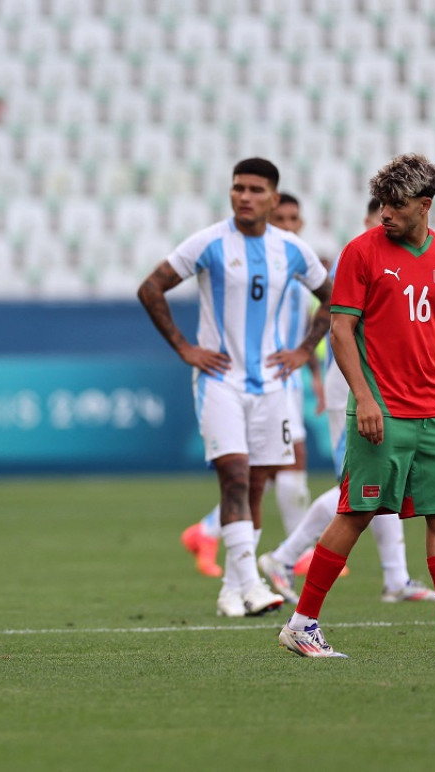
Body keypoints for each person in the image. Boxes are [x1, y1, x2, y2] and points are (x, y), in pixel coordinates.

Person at [279, 154, 435, 658]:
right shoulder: (361, 253)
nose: (384, 213)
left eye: (396, 204)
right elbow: (341, 330)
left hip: (434, 415)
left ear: (425, 206)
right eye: (382, 203)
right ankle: (301, 624)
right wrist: (364, 398)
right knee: (357, 512)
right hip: (380, 412)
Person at [138, 158, 332, 618]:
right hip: (219, 381)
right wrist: (185, 347)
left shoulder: (293, 250)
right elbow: (151, 288)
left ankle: (231, 591)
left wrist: (305, 350)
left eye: (255, 189)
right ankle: (252, 583)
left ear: (273, 197)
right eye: (237, 187)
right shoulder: (209, 242)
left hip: (272, 385)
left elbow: (334, 297)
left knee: (257, 486)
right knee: (236, 477)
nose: (244, 196)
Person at [259, 198, 435, 605]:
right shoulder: (357, 258)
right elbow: (339, 326)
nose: (388, 223)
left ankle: (395, 578)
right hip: (354, 388)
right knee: (359, 484)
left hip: (380, 386)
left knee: (383, 480)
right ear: (369, 219)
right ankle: (285, 558)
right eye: (381, 216)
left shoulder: (403, 262)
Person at [179, 193, 321, 581]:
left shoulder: (295, 270)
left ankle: (209, 532)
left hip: (285, 381)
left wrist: (315, 375)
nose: (289, 225)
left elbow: (306, 327)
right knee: (279, 466)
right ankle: (296, 552)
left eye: (295, 218)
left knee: (267, 471)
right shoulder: (270, 273)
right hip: (260, 381)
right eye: (282, 218)